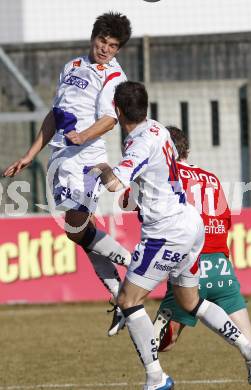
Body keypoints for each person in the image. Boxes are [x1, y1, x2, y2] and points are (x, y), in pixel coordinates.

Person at [93, 80, 251, 390]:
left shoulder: (137, 144)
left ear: (118, 111)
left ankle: (155, 378)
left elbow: (114, 185)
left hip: (166, 233)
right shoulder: (158, 129)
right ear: (145, 107)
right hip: (191, 224)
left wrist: (100, 166)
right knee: (191, 302)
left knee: (128, 299)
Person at [3, 12, 132, 336]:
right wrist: (30, 155)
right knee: (80, 233)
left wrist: (84, 136)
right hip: (61, 158)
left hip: (87, 159)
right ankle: (121, 299)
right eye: (103, 41)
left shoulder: (113, 76)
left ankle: (135, 264)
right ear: (94, 37)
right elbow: (54, 115)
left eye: (113, 45)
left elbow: (109, 120)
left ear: (118, 50)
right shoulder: (71, 67)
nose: (105, 49)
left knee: (75, 229)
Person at [153, 126, 251, 389]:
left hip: (190, 267)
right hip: (222, 269)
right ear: (186, 149)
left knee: (156, 344)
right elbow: (224, 223)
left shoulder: (168, 175)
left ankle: (154, 377)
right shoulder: (211, 178)